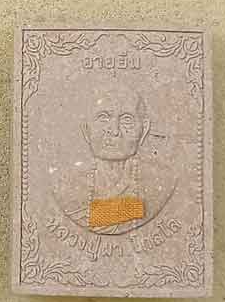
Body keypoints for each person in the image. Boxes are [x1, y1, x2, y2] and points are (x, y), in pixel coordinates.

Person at [52, 81, 176, 235]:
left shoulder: (160, 183)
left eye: (126, 119)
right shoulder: (66, 187)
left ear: (144, 130)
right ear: (86, 129)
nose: (114, 130)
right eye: (103, 118)